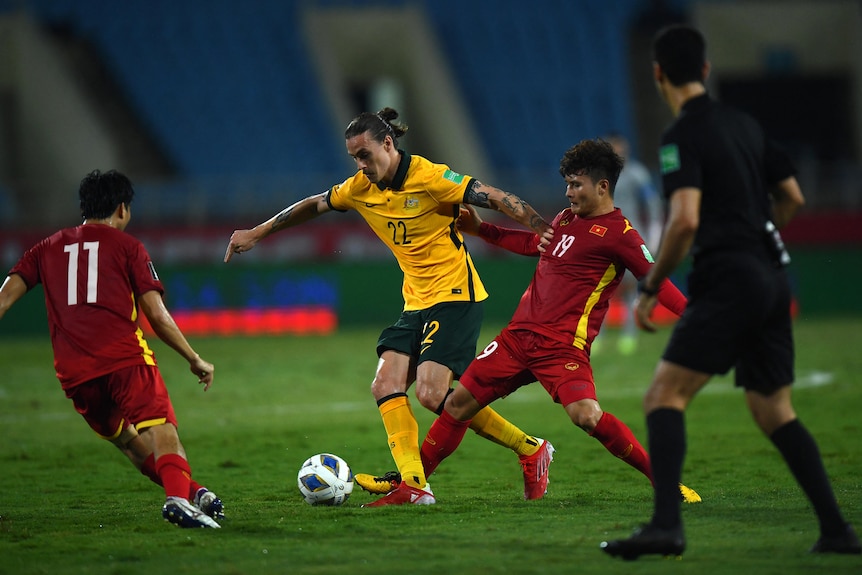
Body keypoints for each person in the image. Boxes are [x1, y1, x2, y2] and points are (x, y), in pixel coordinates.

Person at [601, 25, 860, 559]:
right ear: (706, 69)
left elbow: (685, 220)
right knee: (774, 411)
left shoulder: (680, 137)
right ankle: (837, 530)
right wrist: (758, 230)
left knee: (663, 396)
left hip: (730, 280)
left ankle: (667, 528)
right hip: (771, 277)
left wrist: (651, 285)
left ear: (658, 75)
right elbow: (793, 196)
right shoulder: (744, 124)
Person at [224, 107, 556, 506]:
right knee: (384, 384)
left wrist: (540, 227)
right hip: (415, 302)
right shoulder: (360, 189)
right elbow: (314, 204)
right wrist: (258, 233)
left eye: (365, 155)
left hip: (455, 296)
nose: (361, 166)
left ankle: (530, 448)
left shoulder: (431, 177)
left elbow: (496, 197)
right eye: (354, 159)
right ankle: (414, 485)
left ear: (388, 143)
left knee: (433, 395)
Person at [417, 139, 700, 505]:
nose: (567, 192)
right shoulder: (566, 219)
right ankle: (412, 485)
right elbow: (534, 244)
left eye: (575, 185)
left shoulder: (621, 234)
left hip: (562, 347)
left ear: (602, 186)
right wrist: (482, 230)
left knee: (586, 416)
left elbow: (656, 281)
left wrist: (695, 317)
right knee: (457, 405)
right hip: (517, 339)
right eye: (566, 184)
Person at [0, 170, 223, 528]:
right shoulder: (129, 247)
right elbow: (157, 314)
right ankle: (178, 500)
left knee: (129, 443)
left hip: (74, 374)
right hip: (125, 360)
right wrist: (194, 358)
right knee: (164, 432)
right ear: (122, 209)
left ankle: (194, 494)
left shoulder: (44, 248)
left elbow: (3, 300)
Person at [604, 133, 663, 355]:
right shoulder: (600, 174)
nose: (619, 150)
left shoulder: (637, 174)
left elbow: (653, 204)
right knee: (599, 287)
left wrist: (653, 237)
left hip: (630, 236)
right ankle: (597, 335)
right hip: (602, 237)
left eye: (621, 146)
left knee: (627, 288)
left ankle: (628, 335)